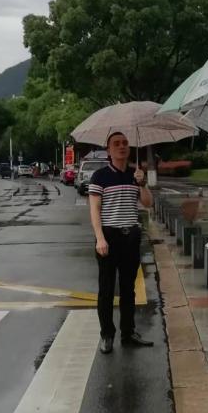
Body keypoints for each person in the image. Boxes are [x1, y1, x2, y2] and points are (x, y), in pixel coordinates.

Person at [89, 131, 154, 354]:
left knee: (128, 288)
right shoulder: (100, 176)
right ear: (109, 150)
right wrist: (100, 238)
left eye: (125, 143)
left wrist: (142, 183)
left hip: (131, 237)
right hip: (109, 237)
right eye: (116, 144)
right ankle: (107, 335)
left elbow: (148, 203)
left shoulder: (135, 175)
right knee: (106, 289)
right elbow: (95, 209)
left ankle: (128, 332)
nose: (122, 147)